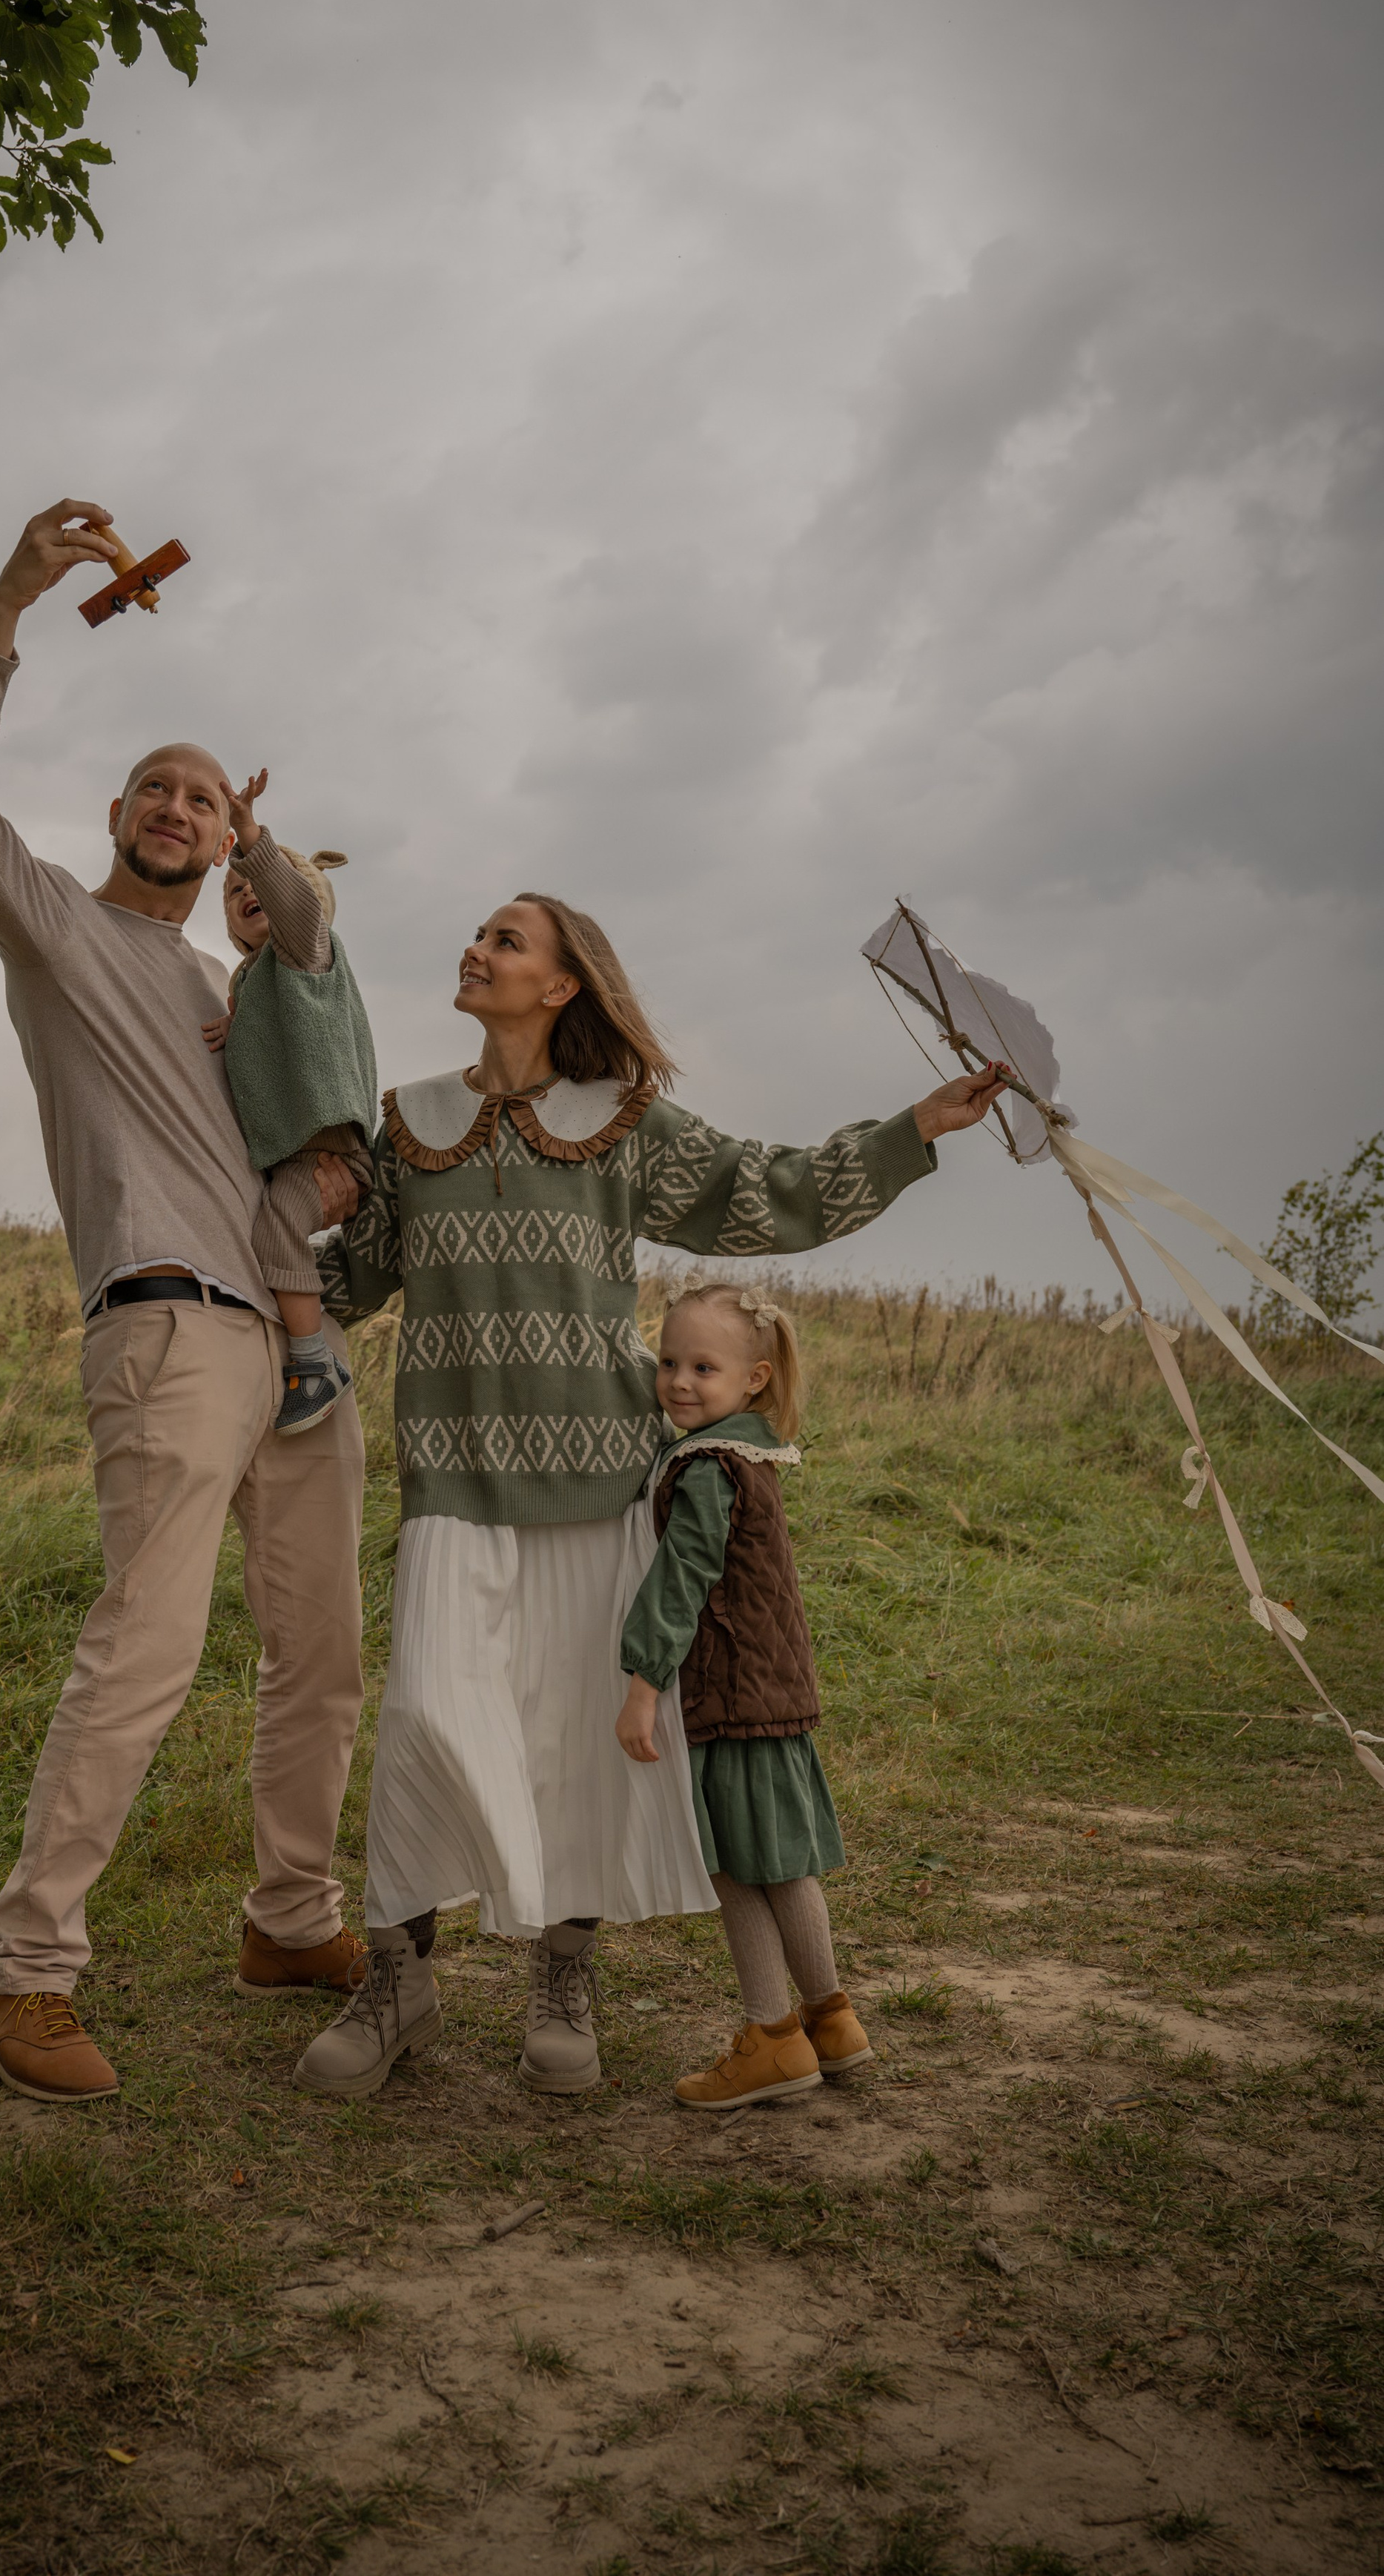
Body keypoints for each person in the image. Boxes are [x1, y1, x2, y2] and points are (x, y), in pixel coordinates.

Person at [288, 893, 1004, 2102]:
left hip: (599, 1482)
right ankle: (400, 1979)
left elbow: (762, 1191)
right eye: (478, 933)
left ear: (566, 984)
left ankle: (564, 1975)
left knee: (576, 1741)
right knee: (424, 1729)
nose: (477, 948)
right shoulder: (407, 1122)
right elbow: (346, 1279)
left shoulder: (622, 1126)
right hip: (454, 1479)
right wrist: (221, 1242)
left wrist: (912, 1130)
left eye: (507, 940)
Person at [0, 500, 370, 2105]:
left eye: (204, 794)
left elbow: (312, 953)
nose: (179, 808)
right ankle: (26, 1975)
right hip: (168, 1329)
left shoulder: (222, 986)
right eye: (158, 791)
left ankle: (291, 1918)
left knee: (316, 1656)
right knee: (148, 1649)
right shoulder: (58, 930)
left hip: (288, 1349)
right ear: (115, 814)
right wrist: (7, 604)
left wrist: (265, 859)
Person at [615, 1282, 873, 2109]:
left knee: (730, 1866)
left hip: (728, 1697)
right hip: (774, 1694)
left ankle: (771, 2036)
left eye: (703, 1367)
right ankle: (831, 2020)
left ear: (754, 1378)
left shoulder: (705, 1469)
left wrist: (643, 1685)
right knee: (784, 1864)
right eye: (668, 1363)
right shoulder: (748, 1454)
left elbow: (682, 1578)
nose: (679, 1382)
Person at [199, 769, 378, 1438]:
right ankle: (307, 1332)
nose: (247, 889)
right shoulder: (253, 983)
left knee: (276, 1229)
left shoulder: (309, 952)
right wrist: (231, 1024)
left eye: (259, 884)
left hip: (327, 1151)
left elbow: (295, 907)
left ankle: (313, 1365)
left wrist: (249, 840)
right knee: (276, 1234)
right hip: (295, 1153)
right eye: (234, 890)